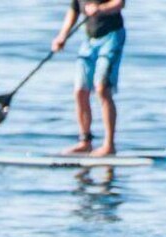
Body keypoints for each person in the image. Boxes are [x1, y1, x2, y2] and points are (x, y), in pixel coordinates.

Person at [52, 1, 126, 156]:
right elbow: (74, 10)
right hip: (90, 41)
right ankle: (85, 142)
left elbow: (120, 3)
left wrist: (100, 9)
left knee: (102, 89)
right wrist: (62, 35)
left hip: (111, 37)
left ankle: (109, 145)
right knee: (80, 91)